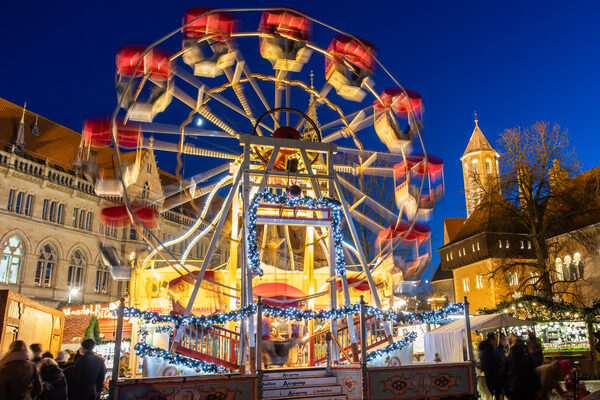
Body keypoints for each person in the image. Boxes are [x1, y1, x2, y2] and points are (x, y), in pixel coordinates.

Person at [478, 333, 502, 399]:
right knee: (496, 391)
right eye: (495, 340)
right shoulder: (489, 350)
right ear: (491, 340)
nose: (495, 341)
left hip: (488, 373)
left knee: (492, 390)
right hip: (493, 373)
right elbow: (495, 361)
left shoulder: (484, 349)